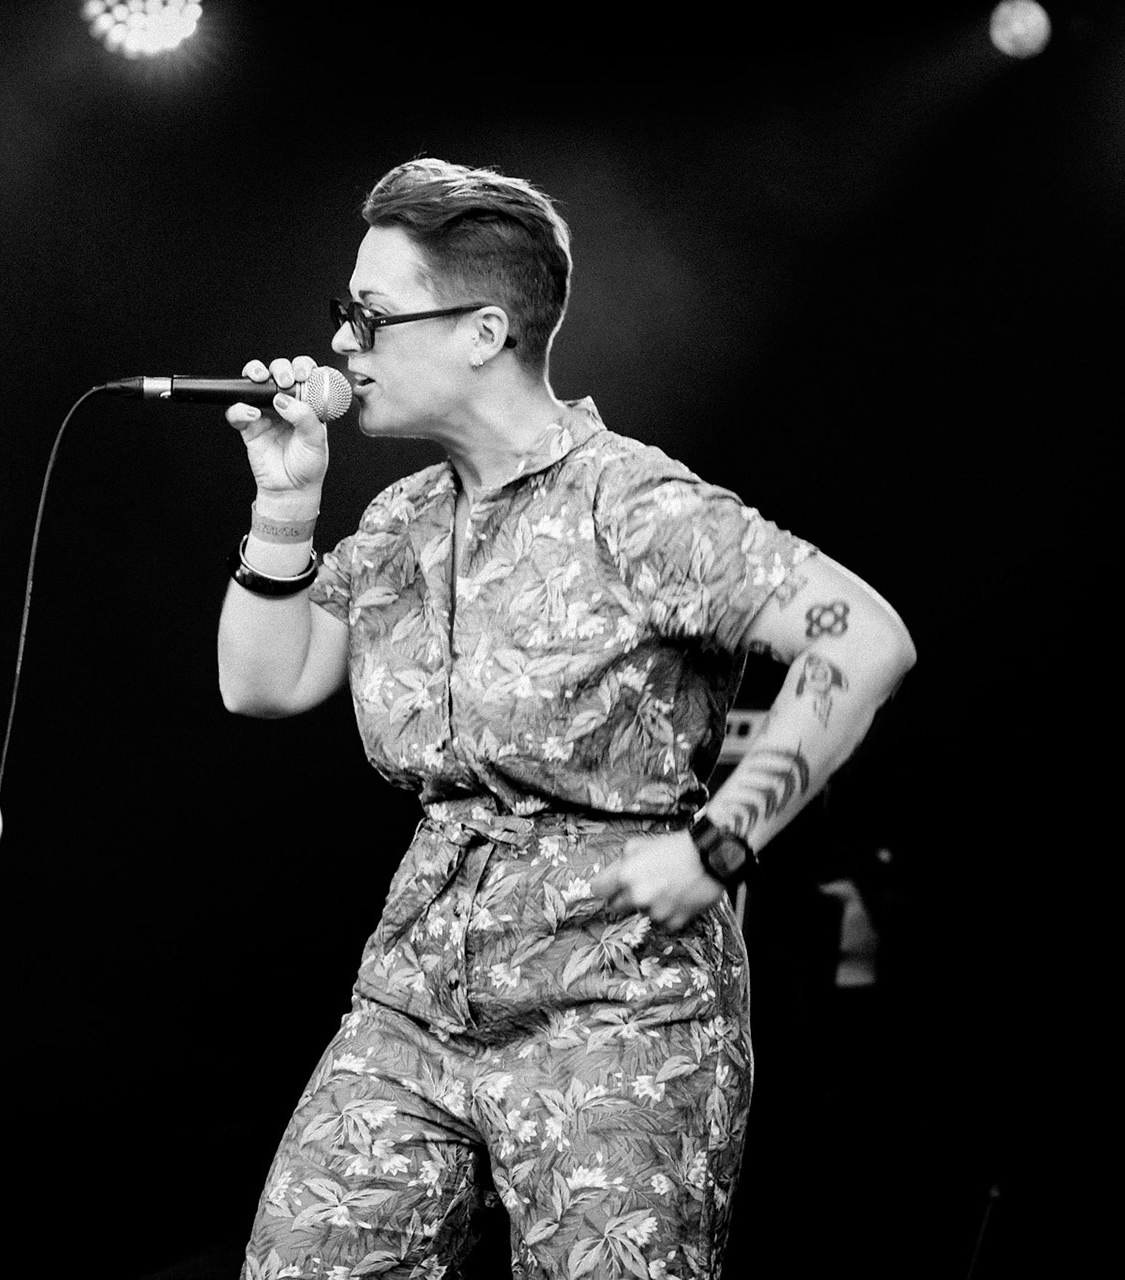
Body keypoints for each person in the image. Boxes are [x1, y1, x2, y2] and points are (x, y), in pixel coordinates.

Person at [217, 159, 915, 1279]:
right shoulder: (402, 516)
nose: (342, 341)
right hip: (415, 997)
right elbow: (264, 681)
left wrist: (722, 837)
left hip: (617, 1009)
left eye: (370, 314)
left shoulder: (630, 503)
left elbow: (865, 637)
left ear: (484, 329)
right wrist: (285, 499)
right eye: (342, 312)